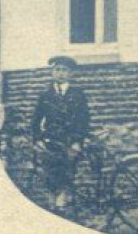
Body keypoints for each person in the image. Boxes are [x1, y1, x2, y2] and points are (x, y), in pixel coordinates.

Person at [30, 56, 92, 210]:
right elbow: (36, 120)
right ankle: (53, 206)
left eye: (64, 70)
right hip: (51, 141)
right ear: (52, 72)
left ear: (70, 74)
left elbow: (84, 120)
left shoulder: (78, 94)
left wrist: (78, 141)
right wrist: (37, 139)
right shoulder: (45, 95)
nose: (60, 73)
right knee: (50, 173)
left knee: (67, 172)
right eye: (57, 70)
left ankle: (62, 205)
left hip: (70, 141)